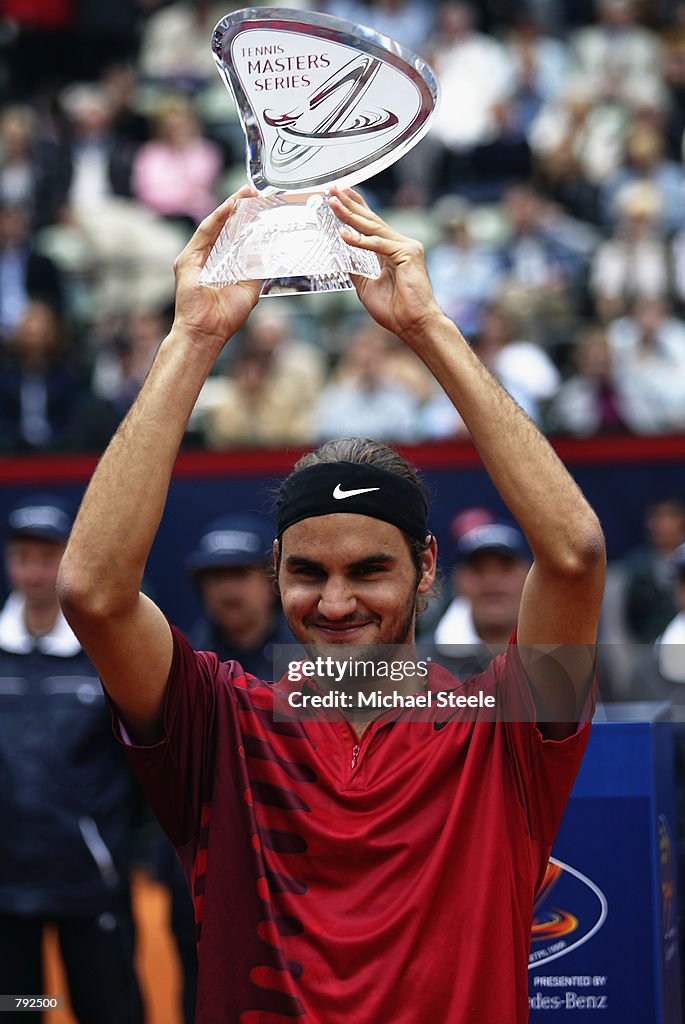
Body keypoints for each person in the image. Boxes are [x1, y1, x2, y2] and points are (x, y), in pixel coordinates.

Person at [57, 186, 606, 1023]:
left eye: (370, 570)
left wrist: (426, 327)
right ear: (276, 568)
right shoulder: (222, 725)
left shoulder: (508, 730)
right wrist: (195, 335)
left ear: (426, 568)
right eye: (309, 571)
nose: (337, 601)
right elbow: (93, 593)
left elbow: (572, 555)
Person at [0, 497, 143, 1024]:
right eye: (24, 556)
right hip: (6, 893)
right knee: (21, 1008)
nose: (35, 571)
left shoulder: (107, 651)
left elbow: (142, 765)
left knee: (106, 1011)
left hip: (90, 887)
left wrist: (115, 847)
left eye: (47, 557)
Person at [430, 520, 532, 678]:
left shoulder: (568, 651)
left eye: (505, 569)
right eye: (478, 570)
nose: (492, 581)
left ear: (531, 577)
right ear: (457, 581)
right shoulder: (420, 662)